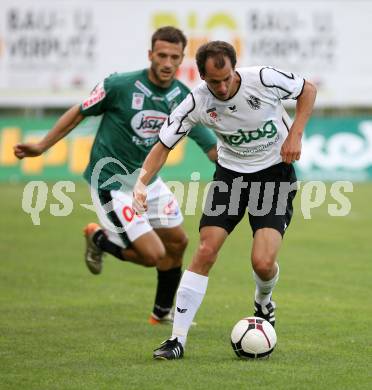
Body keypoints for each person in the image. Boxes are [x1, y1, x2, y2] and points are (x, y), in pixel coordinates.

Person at [13, 27, 217, 325]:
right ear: (150, 55)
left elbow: (210, 146)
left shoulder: (183, 97)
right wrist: (42, 146)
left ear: (182, 59)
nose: (167, 63)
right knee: (153, 255)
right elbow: (80, 111)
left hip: (146, 182)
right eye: (161, 55)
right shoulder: (120, 85)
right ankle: (99, 237)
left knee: (178, 242)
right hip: (111, 182)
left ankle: (161, 312)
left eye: (174, 57)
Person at [133, 40, 317, 359]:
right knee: (206, 250)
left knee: (262, 262)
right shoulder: (197, 102)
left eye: (226, 78)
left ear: (234, 68)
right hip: (230, 177)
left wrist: (295, 132)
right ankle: (177, 339)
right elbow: (163, 144)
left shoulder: (264, 79)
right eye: (212, 81)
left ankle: (263, 301)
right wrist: (140, 182)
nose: (221, 86)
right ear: (201, 77)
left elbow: (308, 89)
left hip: (275, 175)